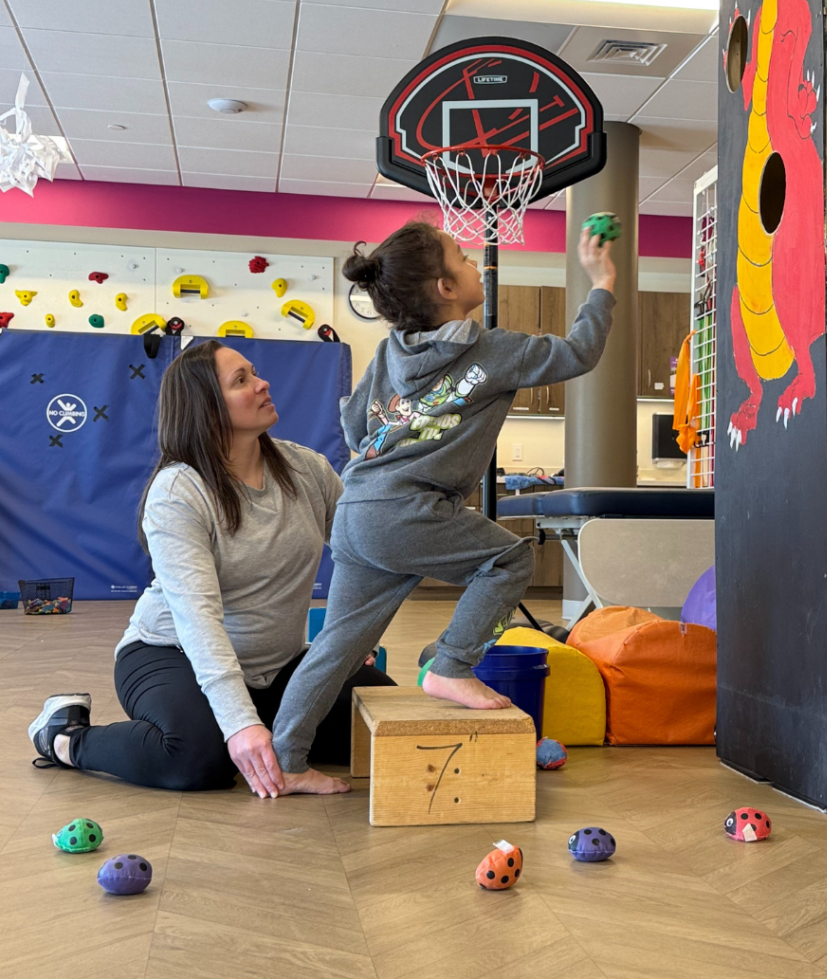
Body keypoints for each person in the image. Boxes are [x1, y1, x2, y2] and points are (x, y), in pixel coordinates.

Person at [270, 220, 616, 782]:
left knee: (334, 648)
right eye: (462, 255)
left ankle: (286, 762)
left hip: (356, 511)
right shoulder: (495, 351)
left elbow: (354, 423)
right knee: (509, 559)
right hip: (409, 511)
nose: (476, 261)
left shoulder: (387, 353)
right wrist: (601, 283)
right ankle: (451, 665)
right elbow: (578, 352)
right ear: (445, 288)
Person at [28, 340, 393, 798]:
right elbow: (197, 618)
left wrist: (351, 638)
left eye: (254, 373)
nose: (262, 383)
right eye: (241, 380)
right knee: (197, 758)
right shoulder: (178, 492)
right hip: (171, 653)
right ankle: (66, 736)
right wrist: (239, 723)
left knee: (383, 719)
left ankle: (256, 724)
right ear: (206, 408)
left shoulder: (308, 469)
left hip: (277, 667)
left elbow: (365, 553)